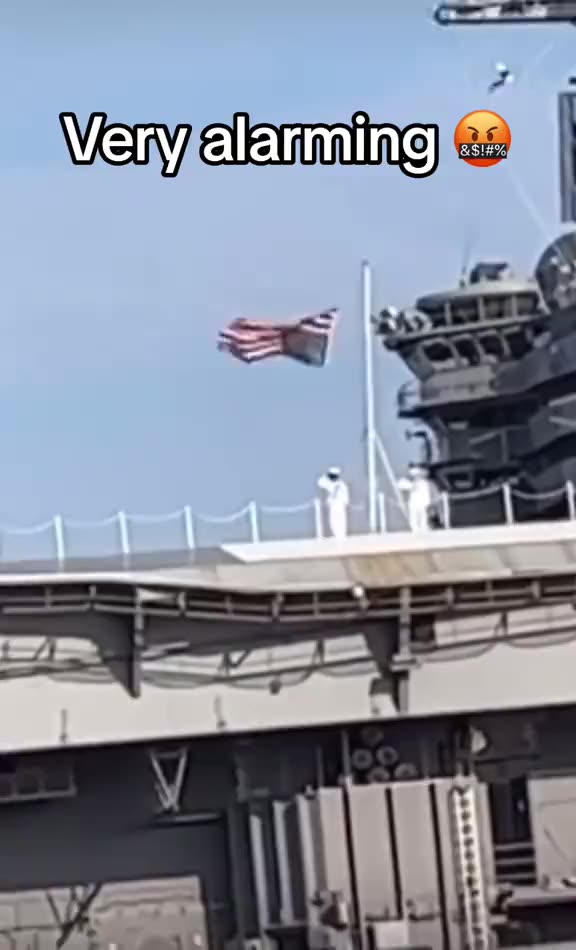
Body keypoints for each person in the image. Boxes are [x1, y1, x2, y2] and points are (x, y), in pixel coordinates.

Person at [397, 464, 433, 532]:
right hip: (413, 502)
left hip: (422, 502)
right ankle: (415, 528)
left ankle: (423, 527)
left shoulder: (423, 483)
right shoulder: (406, 482)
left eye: (418, 475)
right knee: (414, 515)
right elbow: (401, 486)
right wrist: (412, 486)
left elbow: (426, 493)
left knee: (423, 515)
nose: (417, 477)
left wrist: (428, 502)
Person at [317, 467, 350, 539]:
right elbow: (320, 483)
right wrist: (326, 476)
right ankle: (337, 535)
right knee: (333, 520)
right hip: (333, 504)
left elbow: (346, 495)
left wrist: (345, 503)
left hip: (340, 504)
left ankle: (341, 535)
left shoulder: (341, 484)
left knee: (341, 520)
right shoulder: (328, 483)